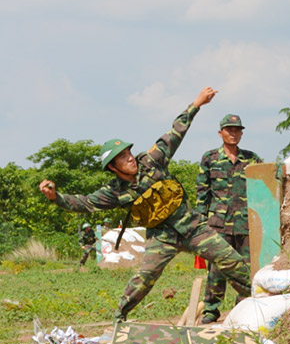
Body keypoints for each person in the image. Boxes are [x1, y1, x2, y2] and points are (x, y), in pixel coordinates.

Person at [39, 87, 252, 322]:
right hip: (162, 237)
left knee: (231, 261)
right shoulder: (113, 192)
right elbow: (84, 203)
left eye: (129, 153)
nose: (129, 158)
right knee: (145, 277)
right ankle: (119, 317)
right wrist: (55, 197)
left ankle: (261, 300)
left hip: (193, 228)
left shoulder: (153, 160)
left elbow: (176, 131)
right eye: (122, 157)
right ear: (113, 167)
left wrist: (197, 103)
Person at [196, 114, 263, 324]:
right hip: (219, 224)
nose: (233, 134)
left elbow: (262, 189)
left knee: (246, 268)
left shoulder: (252, 159)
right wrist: (199, 225)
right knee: (217, 268)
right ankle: (211, 310)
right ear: (220, 133)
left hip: (245, 224)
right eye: (229, 130)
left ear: (241, 133)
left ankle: (242, 308)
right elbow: (202, 193)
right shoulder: (210, 158)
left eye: (237, 130)